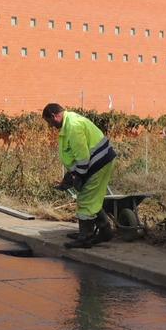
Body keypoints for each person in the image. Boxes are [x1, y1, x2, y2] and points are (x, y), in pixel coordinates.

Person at [43, 103, 117, 249]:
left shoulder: (73, 127)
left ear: (54, 116)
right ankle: (104, 231)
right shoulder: (69, 123)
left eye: (50, 122)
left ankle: (86, 237)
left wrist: (79, 177)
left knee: (84, 199)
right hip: (98, 162)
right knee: (91, 198)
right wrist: (72, 175)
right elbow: (76, 156)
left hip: (98, 164)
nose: (51, 126)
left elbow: (83, 158)